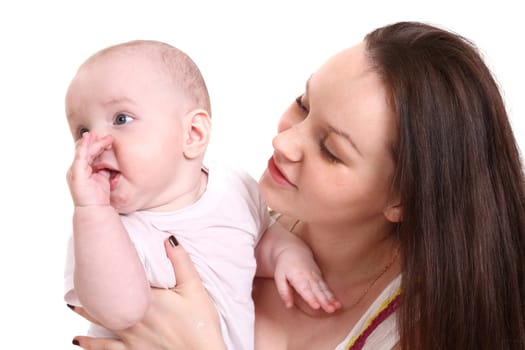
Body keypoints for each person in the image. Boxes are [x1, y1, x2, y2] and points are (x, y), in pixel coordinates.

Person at [69, 21, 525, 350]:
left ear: (399, 199)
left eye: (330, 149)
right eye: (303, 104)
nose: (283, 141)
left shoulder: (412, 332)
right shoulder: (232, 208)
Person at [63, 40, 340, 350]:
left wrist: (286, 256)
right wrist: (92, 210)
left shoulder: (232, 187)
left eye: (121, 119)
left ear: (193, 134)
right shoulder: (103, 232)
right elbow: (121, 311)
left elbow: (255, 239)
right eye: (81, 131)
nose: (95, 142)